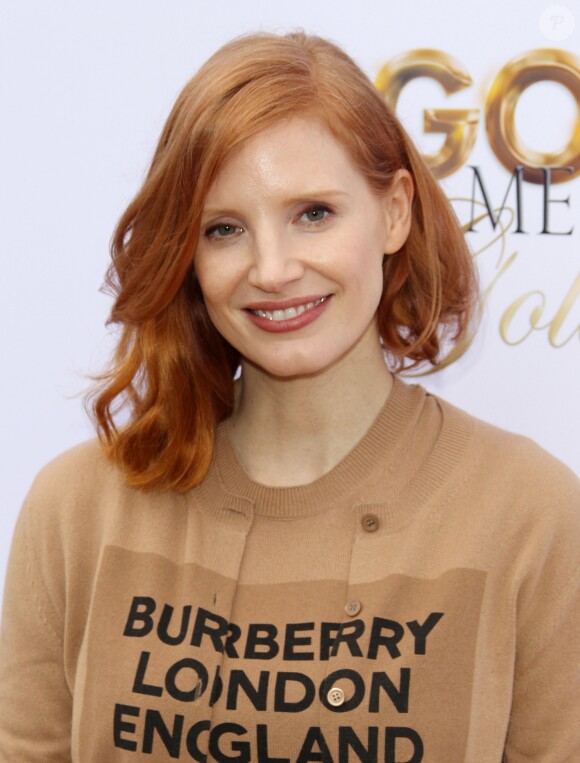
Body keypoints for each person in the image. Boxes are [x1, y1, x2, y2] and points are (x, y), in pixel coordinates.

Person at [0, 30, 578, 763]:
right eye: (225, 229)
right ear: (190, 256)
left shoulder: (531, 515)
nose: (272, 269)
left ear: (394, 210)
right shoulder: (77, 509)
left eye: (313, 213)